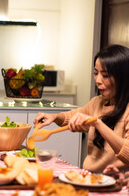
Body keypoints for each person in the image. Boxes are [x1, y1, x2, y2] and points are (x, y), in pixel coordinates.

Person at [33, 44, 129, 173]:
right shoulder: (97, 102)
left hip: (114, 183)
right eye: (96, 73)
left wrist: (98, 123)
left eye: (105, 75)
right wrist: (55, 117)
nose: (98, 80)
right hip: (88, 176)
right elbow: (74, 115)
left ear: (123, 77)